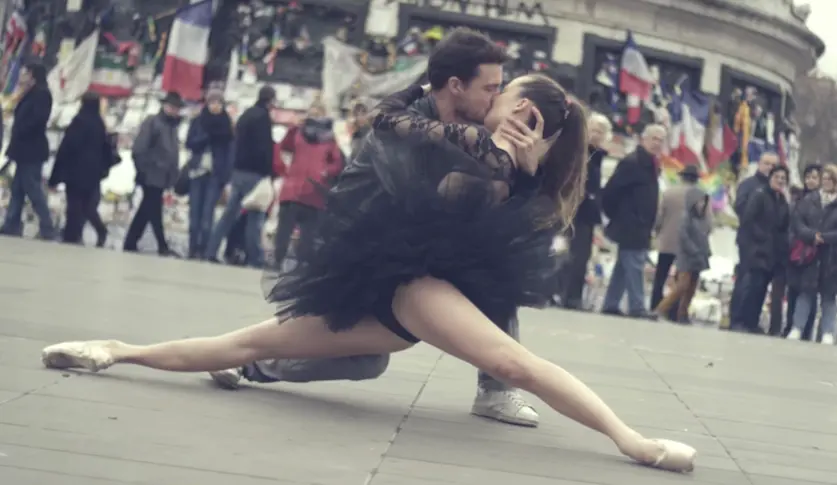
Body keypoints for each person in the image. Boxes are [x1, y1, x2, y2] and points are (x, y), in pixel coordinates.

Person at [40, 71, 696, 472]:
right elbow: (402, 145)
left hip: (416, 292)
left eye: (517, 104)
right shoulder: (448, 122)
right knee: (253, 342)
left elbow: (498, 237)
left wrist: (520, 173)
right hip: (368, 285)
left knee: (511, 361)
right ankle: (114, 351)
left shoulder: (509, 161)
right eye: (502, 93)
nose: (502, 102)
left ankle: (630, 439)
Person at [210, 30, 539, 428]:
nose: (495, 97)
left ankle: (497, 389)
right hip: (359, 252)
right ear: (456, 85)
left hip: (414, 244)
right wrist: (507, 163)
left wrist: (524, 167)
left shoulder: (465, 121)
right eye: (490, 88)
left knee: (495, 262)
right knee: (367, 361)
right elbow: (442, 189)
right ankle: (252, 361)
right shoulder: (406, 128)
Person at [204, 86, 276, 267]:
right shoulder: (263, 119)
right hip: (255, 173)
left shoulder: (246, 116)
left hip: (238, 172)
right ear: (271, 100)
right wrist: (268, 171)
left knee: (228, 215)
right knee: (255, 215)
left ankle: (211, 250)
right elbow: (264, 148)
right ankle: (255, 257)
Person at [600, 124, 665, 319]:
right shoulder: (632, 162)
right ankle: (637, 306)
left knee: (624, 265)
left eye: (661, 140)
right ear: (643, 139)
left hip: (641, 225)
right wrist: (619, 216)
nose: (657, 143)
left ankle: (611, 303)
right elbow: (610, 191)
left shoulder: (652, 165)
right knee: (635, 264)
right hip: (631, 224)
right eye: (654, 138)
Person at [273, 103, 344, 268]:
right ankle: (278, 260)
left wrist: (324, 172)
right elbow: (285, 146)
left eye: (317, 113)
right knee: (284, 229)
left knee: (308, 234)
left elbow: (337, 163)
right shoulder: (299, 132)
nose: (314, 117)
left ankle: (302, 266)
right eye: (311, 113)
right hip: (293, 188)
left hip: (313, 190)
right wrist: (293, 128)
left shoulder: (329, 139)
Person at [48, 92, 115, 246]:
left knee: (74, 205)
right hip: (93, 173)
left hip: (75, 172)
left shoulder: (78, 122)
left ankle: (71, 235)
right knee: (88, 206)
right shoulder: (99, 123)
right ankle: (98, 230)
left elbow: (66, 149)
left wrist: (55, 177)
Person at [123, 92, 183, 256]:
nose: (173, 110)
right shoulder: (153, 122)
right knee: (154, 210)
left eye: (176, 108)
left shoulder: (172, 126)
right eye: (171, 106)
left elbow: (172, 154)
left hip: (162, 175)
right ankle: (161, 245)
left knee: (147, 209)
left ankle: (131, 241)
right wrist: (143, 169)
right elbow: (140, 148)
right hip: (151, 173)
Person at [0, 59, 55, 239]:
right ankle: (11, 223)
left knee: (33, 188)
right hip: (23, 149)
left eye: (25, 73)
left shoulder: (41, 94)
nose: (21, 76)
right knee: (17, 188)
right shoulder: (29, 93)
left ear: (33, 76)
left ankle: (47, 226)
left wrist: (21, 130)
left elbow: (37, 120)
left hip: (31, 149)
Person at [733, 165, 790, 334]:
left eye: (783, 178)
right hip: (755, 249)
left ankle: (752, 321)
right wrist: (760, 239)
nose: (780, 181)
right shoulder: (760, 195)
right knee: (749, 285)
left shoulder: (782, 201)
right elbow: (749, 220)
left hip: (771, 253)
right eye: (777, 177)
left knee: (761, 288)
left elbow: (783, 227)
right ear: (770, 177)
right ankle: (738, 320)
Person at [559, 112, 608, 310]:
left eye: (601, 132)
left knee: (581, 257)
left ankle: (571, 296)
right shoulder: (578, 151)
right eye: (594, 129)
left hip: (586, 214)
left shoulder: (597, 157)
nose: (597, 134)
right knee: (571, 256)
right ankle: (566, 296)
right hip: (573, 212)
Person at [787, 164, 837, 344]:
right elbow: (798, 222)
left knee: (829, 297)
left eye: (830, 179)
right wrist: (811, 236)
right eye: (825, 179)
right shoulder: (810, 200)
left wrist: (824, 237)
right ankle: (796, 328)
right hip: (810, 254)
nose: (826, 182)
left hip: (831, 257)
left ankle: (828, 332)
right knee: (805, 293)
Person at [184, 89, 235, 259]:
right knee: (194, 214)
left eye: (218, 102)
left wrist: (226, 177)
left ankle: (205, 249)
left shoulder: (227, 125)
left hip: (215, 174)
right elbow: (190, 143)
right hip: (197, 172)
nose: (215, 106)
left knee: (208, 214)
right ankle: (192, 248)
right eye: (212, 102)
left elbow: (230, 152)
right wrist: (206, 138)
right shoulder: (198, 122)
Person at [728, 152, 776, 328]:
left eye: (773, 165)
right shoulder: (749, 185)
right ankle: (737, 319)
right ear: (759, 164)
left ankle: (751, 320)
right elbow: (740, 207)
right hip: (749, 241)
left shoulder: (775, 189)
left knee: (760, 283)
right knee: (745, 280)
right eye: (766, 163)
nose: (769, 167)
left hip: (767, 244)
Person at [651, 165, 709, 312]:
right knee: (683, 280)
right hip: (689, 246)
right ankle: (673, 311)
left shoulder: (669, 193)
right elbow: (708, 223)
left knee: (660, 277)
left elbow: (659, 218)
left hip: (667, 242)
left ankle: (654, 306)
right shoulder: (701, 196)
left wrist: (658, 233)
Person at [784, 164, 821, 339]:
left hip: (815, 252)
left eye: (815, 177)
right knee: (793, 290)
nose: (811, 180)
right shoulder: (798, 199)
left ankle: (806, 330)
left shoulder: (823, 201)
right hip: (796, 251)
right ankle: (790, 325)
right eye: (808, 177)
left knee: (810, 292)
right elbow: (793, 224)